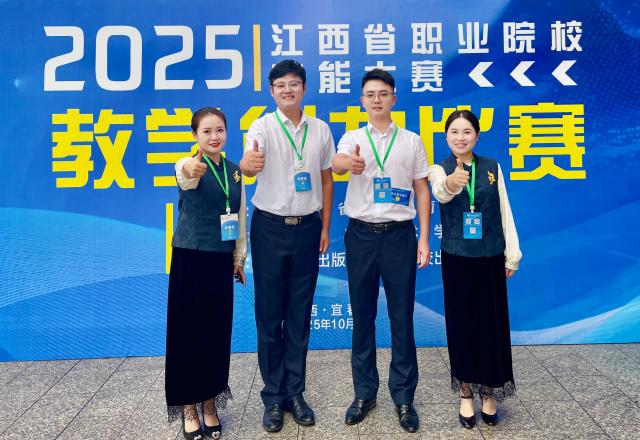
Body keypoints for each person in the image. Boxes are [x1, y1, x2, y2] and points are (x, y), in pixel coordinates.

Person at [331, 69, 431, 433]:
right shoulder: (353, 137)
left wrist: (424, 239)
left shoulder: (411, 141)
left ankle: (403, 397)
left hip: (399, 236)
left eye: (383, 93)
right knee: (363, 317)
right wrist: (348, 164)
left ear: (393, 98)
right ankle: (364, 394)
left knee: (401, 318)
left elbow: (422, 189)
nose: (377, 100)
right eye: (370, 94)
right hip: (360, 236)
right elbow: (337, 164)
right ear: (362, 101)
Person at [240, 59, 335, 433]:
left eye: (293, 84)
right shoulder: (261, 126)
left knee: (299, 314)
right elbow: (249, 166)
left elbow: (327, 180)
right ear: (272, 91)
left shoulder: (320, 129)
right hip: (269, 229)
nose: (287, 90)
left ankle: (295, 393)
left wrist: (325, 227)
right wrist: (249, 164)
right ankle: (273, 397)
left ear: (304, 88)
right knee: (269, 315)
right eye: (280, 85)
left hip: (308, 228)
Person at [428, 109, 521, 429]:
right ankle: (466, 392)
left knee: (491, 326)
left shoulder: (492, 168)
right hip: (457, 259)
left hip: (490, 256)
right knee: (462, 325)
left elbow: (504, 210)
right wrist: (452, 182)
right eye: (454, 132)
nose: (460, 137)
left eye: (467, 131)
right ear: (446, 137)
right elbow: (440, 192)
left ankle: (488, 392)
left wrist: (512, 255)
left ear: (477, 136)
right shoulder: (439, 169)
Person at [165, 107, 247, 440]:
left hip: (220, 261)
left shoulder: (234, 171)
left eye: (220, 130)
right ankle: (188, 407)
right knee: (187, 335)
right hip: (190, 258)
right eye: (207, 131)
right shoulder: (188, 164)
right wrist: (189, 167)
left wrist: (239, 258)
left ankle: (210, 404)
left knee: (216, 335)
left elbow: (240, 215)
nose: (214, 137)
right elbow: (184, 173)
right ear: (195, 135)